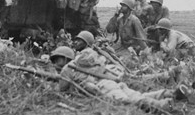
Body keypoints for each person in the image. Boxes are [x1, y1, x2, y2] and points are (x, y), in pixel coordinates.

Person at [58, 45, 187, 110]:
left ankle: (160, 105)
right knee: (136, 95)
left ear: (64, 58)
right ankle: (168, 94)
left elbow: (63, 89)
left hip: (102, 86)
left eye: (56, 60)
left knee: (127, 101)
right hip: (111, 82)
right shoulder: (90, 59)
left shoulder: (67, 69)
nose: (55, 63)